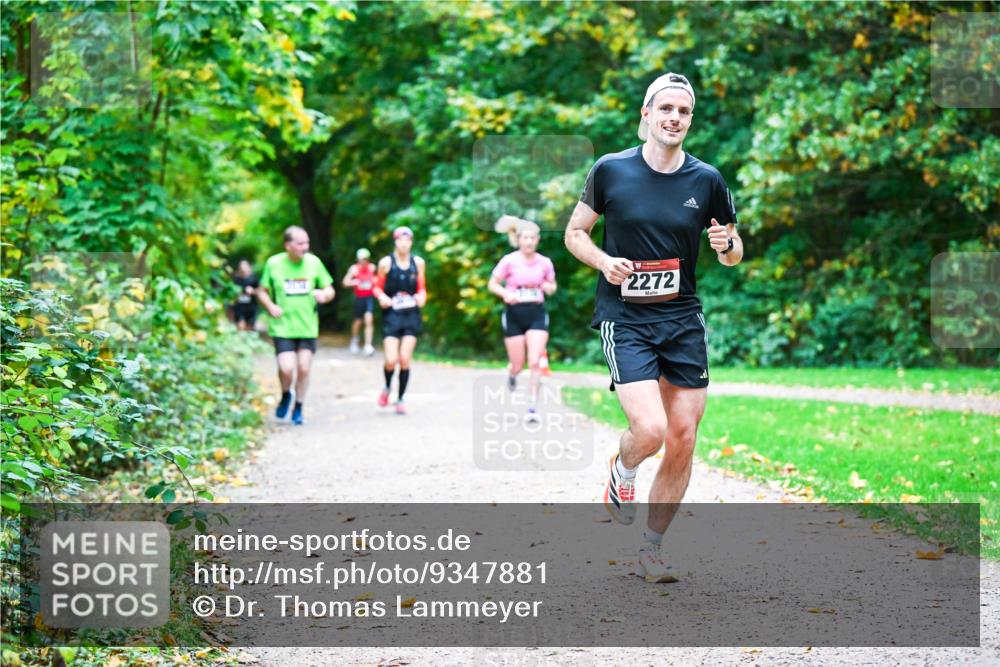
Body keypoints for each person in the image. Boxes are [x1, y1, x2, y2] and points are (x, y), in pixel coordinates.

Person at [564, 73, 743, 582]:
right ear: (645, 114)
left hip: (682, 317)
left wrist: (725, 247)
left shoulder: (707, 180)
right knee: (651, 430)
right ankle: (622, 471)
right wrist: (603, 261)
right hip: (626, 319)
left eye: (683, 112)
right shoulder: (611, 170)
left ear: (689, 120)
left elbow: (733, 251)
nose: (674, 119)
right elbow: (575, 233)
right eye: (665, 109)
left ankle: (651, 548)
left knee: (683, 435)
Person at [256, 226, 335, 425]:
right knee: (286, 368)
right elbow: (262, 291)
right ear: (288, 245)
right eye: (300, 243)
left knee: (304, 368)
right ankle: (285, 395)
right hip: (282, 326)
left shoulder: (314, 263)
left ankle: (298, 407)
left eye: (306, 242)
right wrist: (270, 305)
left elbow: (330, 289)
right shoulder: (274, 263)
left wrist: (324, 295)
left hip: (307, 326)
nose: (305, 247)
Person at [488, 216, 556, 422]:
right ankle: (512, 374)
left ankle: (532, 407)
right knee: (518, 364)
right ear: (518, 239)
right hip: (514, 314)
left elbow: (552, 286)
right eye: (525, 237)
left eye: (533, 237)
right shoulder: (509, 260)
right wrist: (505, 294)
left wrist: (548, 287)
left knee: (534, 361)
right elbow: (493, 284)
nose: (529, 241)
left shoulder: (545, 262)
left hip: (536, 313)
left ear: (537, 240)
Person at [372, 226, 426, 415]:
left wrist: (422, 297)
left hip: (411, 315)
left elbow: (422, 288)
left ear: (411, 242)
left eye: (407, 240)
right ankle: (387, 387)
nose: (404, 244)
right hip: (392, 316)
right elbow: (377, 287)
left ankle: (401, 398)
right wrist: (382, 297)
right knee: (390, 359)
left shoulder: (418, 263)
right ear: (395, 242)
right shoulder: (386, 263)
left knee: (404, 359)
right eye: (400, 240)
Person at [343, 247, 377, 356]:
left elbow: (377, 281)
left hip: (369, 298)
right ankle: (354, 340)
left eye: (365, 259)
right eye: (361, 259)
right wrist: (354, 282)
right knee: (357, 322)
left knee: (369, 320)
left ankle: (368, 345)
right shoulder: (354, 269)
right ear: (358, 259)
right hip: (359, 298)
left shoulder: (372, 268)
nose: (363, 261)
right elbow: (345, 282)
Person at [232, 259, 259, 332]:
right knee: (240, 325)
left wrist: (252, 291)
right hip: (239, 306)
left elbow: (260, 291)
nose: (243, 269)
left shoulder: (254, 278)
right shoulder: (236, 279)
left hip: (251, 305)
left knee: (249, 327)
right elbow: (231, 292)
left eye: (245, 267)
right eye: (241, 267)